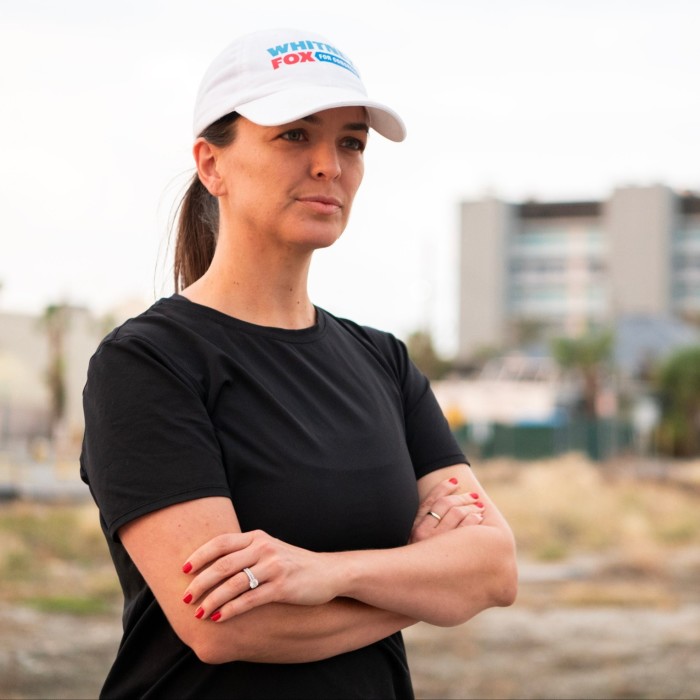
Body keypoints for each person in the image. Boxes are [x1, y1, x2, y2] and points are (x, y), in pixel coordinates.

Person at [80, 27, 517, 700]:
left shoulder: (383, 361)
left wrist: (325, 574)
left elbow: (494, 570)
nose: (329, 165)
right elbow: (222, 628)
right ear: (211, 164)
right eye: (294, 135)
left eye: (350, 142)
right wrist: (425, 581)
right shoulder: (148, 363)